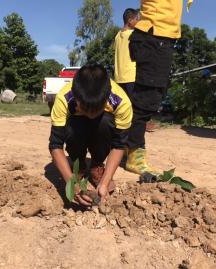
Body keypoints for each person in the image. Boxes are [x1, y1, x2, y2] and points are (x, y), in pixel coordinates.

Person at [48, 64, 132, 206]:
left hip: (103, 126)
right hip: (76, 126)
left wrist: (105, 182)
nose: (91, 115)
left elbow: (118, 145)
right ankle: (78, 166)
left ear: (106, 99)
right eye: (86, 109)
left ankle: (96, 166)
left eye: (96, 110)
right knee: (73, 125)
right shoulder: (63, 98)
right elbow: (55, 145)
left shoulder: (122, 102)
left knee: (105, 122)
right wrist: (71, 183)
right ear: (76, 98)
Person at [125, 0, 193, 175]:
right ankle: (134, 154)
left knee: (154, 96)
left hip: (158, 38)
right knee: (146, 99)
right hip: (153, 36)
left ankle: (127, 146)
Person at [114, 8, 138, 100]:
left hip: (118, 77)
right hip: (131, 77)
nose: (137, 21)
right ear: (130, 20)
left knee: (121, 107)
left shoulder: (117, 36)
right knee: (132, 107)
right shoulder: (133, 34)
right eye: (136, 19)